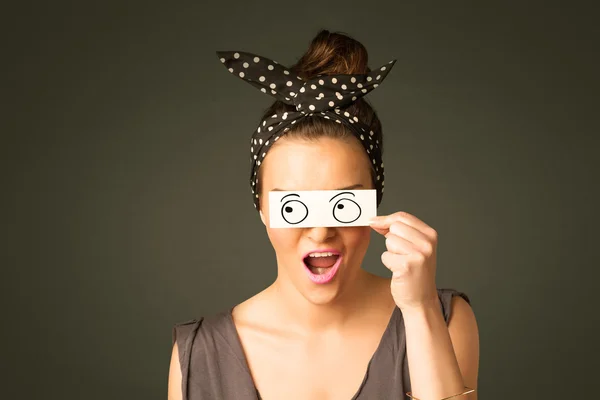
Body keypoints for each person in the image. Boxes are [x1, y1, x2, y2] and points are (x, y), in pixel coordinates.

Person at [168, 30, 479, 400]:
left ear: (374, 207)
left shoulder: (444, 319)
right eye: (293, 207)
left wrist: (420, 309)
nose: (321, 231)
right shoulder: (199, 354)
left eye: (343, 204)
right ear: (263, 210)